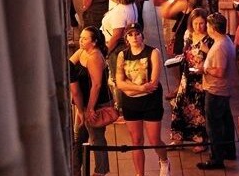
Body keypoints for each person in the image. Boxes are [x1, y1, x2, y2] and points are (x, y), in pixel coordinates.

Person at [114, 25, 170, 176]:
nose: (134, 37)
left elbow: (153, 83)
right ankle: (140, 173)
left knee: (154, 140)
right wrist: (139, 88)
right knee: (136, 141)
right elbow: (119, 82)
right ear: (126, 38)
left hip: (151, 102)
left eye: (137, 34)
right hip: (131, 103)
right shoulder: (122, 55)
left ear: (142, 35)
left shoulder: (153, 52)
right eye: (130, 35)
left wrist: (129, 87)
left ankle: (164, 160)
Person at [69, 27, 113, 176]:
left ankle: (100, 171)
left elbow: (97, 85)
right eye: (80, 37)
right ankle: (75, 169)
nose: (81, 40)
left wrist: (90, 109)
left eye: (85, 38)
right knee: (79, 136)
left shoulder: (94, 56)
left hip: (95, 103)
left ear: (94, 42)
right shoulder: (82, 52)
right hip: (82, 103)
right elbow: (69, 65)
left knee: (96, 137)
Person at [198, 13, 238, 170]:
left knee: (214, 125)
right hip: (223, 89)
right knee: (226, 121)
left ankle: (216, 158)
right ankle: (229, 151)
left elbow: (220, 71)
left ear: (213, 28)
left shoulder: (220, 47)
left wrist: (204, 68)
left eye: (207, 25)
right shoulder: (224, 41)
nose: (206, 28)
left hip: (216, 90)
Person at [170, 8, 213, 148]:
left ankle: (200, 140)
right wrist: (181, 57)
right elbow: (186, 51)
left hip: (201, 78)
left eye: (201, 23)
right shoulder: (188, 34)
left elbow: (215, 58)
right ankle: (178, 137)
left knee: (198, 109)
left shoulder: (210, 38)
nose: (198, 27)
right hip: (187, 75)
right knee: (180, 104)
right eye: (195, 23)